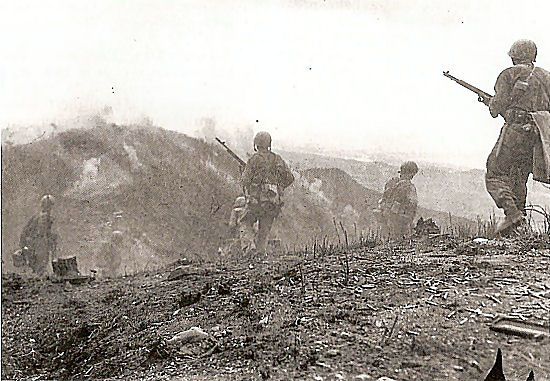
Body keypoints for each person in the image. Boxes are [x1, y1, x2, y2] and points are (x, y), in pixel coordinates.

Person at [485, 39, 550, 235]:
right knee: (519, 177)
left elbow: (497, 108)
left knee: (494, 172)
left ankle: (512, 213)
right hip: (539, 136)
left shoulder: (509, 74)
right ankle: (517, 227)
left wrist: (489, 103)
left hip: (515, 132)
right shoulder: (546, 77)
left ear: (514, 55)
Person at [239, 131, 294, 256]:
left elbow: (244, 181)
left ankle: (249, 248)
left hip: (256, 201)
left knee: (245, 221)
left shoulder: (254, 159)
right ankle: (260, 254)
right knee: (264, 229)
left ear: (256, 144)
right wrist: (279, 187)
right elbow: (290, 178)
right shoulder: (277, 159)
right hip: (273, 201)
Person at [374, 161, 419, 240]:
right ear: (411, 173)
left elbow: (383, 200)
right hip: (400, 220)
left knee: (386, 241)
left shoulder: (391, 182)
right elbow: (413, 206)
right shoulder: (410, 187)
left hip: (386, 217)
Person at [19, 195, 58, 275]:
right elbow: (44, 233)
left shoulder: (36, 217)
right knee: (41, 265)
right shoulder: (45, 217)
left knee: (37, 266)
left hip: (33, 244)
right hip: (40, 244)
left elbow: (25, 232)